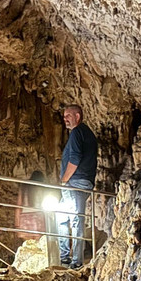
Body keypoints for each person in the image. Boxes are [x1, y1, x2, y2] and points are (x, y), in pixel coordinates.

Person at [57, 104, 97, 268]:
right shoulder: (87, 133)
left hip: (75, 183)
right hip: (82, 182)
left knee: (75, 220)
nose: (65, 119)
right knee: (61, 217)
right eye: (64, 116)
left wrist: (64, 180)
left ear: (78, 116)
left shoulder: (77, 133)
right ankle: (65, 256)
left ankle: (75, 261)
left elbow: (74, 159)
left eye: (68, 115)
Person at [14, 170, 51, 240]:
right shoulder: (44, 188)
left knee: (28, 246)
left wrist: (17, 225)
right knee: (39, 245)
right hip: (39, 219)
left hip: (25, 220)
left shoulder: (24, 187)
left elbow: (18, 206)